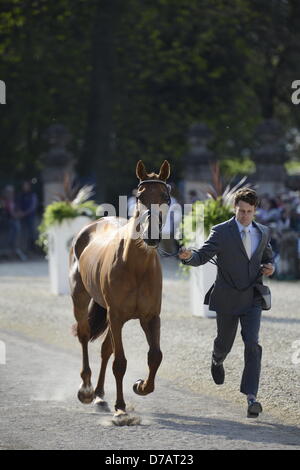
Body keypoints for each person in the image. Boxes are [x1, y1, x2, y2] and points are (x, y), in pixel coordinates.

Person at [179, 188, 274, 418]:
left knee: (252, 342)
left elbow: (267, 257)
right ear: (235, 208)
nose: (244, 216)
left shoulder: (263, 232)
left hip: (252, 296)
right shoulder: (221, 232)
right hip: (227, 297)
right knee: (224, 343)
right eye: (241, 211)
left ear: (255, 211)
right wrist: (188, 256)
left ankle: (252, 397)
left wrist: (271, 267)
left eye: (249, 211)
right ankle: (216, 359)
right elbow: (202, 256)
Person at [18, 180, 38, 255]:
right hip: (23, 217)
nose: (25, 187)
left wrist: (24, 213)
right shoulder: (21, 195)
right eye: (24, 186)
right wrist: (20, 212)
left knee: (31, 233)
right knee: (24, 234)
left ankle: (32, 250)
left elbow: (33, 207)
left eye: (26, 186)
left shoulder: (32, 195)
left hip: (30, 217)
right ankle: (24, 250)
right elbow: (19, 205)